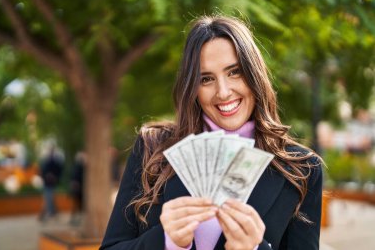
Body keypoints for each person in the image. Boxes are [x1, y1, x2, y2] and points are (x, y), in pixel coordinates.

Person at [100, 15, 323, 250]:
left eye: (234, 72)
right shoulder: (152, 148)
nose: (223, 92)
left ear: (254, 74)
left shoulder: (302, 170)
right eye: (206, 79)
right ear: (192, 88)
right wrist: (167, 243)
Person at [39, 145, 64, 221]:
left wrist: (55, 177)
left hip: (51, 183)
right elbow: (42, 171)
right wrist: (46, 176)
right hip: (47, 182)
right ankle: (51, 212)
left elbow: (59, 170)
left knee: (49, 197)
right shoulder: (46, 160)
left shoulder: (56, 161)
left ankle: (49, 213)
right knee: (48, 198)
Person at [69, 151, 86, 225]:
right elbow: (77, 178)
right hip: (79, 189)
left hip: (78, 189)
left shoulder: (77, 166)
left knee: (77, 204)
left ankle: (75, 219)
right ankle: (75, 220)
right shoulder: (80, 166)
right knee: (78, 204)